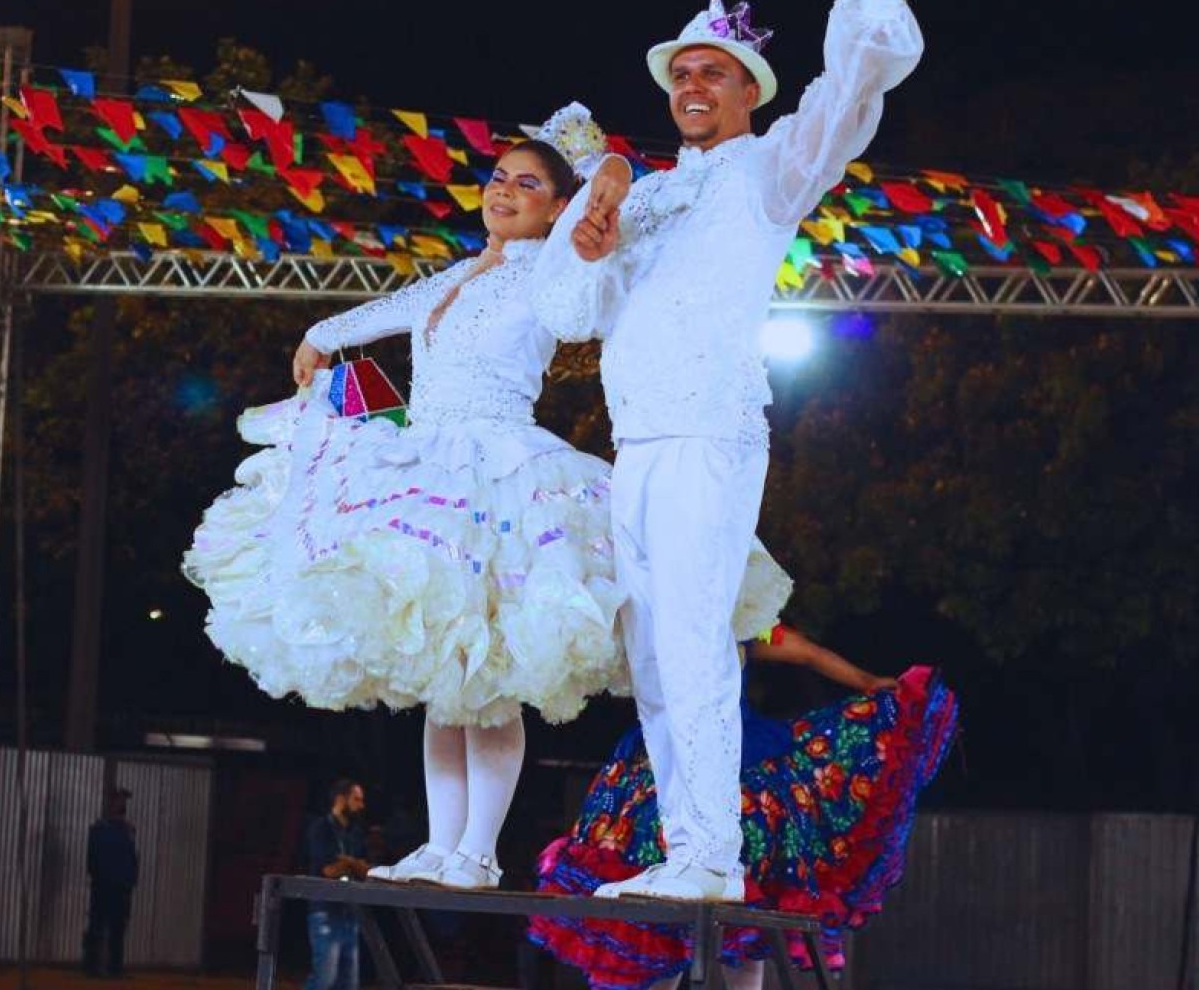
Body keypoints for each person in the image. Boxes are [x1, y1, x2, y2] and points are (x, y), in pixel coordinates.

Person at [183, 105, 791, 890]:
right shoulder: (462, 271)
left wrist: (599, 192)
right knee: (447, 676)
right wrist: (324, 334)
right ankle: (444, 843)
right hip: (427, 459)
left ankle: (478, 849)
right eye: (500, 177)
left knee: (490, 670)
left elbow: (581, 302)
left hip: (499, 470)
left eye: (529, 183)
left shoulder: (554, 270)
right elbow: (389, 310)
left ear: (555, 203)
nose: (505, 191)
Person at [531, 0, 926, 903]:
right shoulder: (649, 194)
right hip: (639, 443)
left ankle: (712, 858)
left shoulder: (765, 170)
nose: (692, 86)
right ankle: (690, 848)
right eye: (681, 74)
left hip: (710, 433)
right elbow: (576, 307)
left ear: (748, 91)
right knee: (655, 653)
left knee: (699, 637)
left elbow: (843, 104)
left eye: (712, 72)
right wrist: (595, 213)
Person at [528, 626, 956, 990]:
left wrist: (864, 680)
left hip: (740, 765)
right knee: (647, 908)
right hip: (660, 769)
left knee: (750, 899)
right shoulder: (651, 613)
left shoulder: (742, 621)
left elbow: (805, 652)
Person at [301, 779, 368, 990]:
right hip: (326, 912)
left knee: (348, 984)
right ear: (341, 799)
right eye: (356, 799)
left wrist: (346, 862)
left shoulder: (355, 832)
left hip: (350, 914)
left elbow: (366, 870)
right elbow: (328, 871)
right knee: (324, 980)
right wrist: (353, 865)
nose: (361, 805)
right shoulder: (321, 827)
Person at [82, 788, 138, 979]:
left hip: (120, 885)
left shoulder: (128, 830)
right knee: (98, 926)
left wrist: (130, 880)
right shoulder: (101, 828)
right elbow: (92, 858)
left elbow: (133, 858)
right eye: (118, 801)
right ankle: (92, 967)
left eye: (123, 801)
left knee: (117, 928)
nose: (121, 805)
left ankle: (115, 968)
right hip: (104, 884)